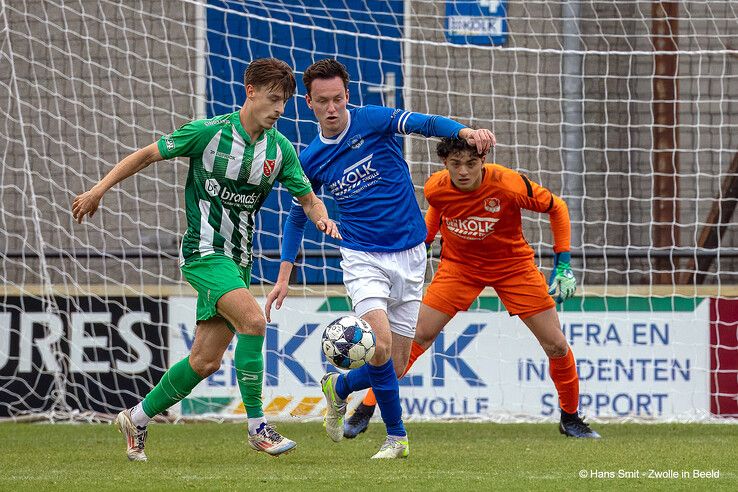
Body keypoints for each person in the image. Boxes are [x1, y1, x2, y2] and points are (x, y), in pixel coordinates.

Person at [72, 58, 341, 461]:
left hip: (238, 261)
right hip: (204, 252)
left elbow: (307, 197)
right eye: (272, 99)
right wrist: (99, 189)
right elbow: (147, 155)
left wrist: (322, 218)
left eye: (284, 101)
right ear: (250, 91)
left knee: (204, 361)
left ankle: (136, 418)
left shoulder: (279, 150)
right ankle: (257, 428)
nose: (279, 109)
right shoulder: (208, 133)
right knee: (254, 321)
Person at [264, 59, 496, 458]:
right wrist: (284, 274)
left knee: (398, 364)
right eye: (324, 101)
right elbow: (298, 214)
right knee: (381, 348)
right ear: (309, 103)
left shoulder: (372, 120)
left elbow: (423, 123)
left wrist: (464, 131)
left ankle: (338, 387)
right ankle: (396, 437)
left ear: (348, 96)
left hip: (410, 254)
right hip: (362, 257)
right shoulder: (311, 159)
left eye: (338, 98)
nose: (333, 108)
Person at [344, 137, 600, 439]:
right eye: (455, 164)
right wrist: (423, 247)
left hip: (513, 267)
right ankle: (366, 408)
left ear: (483, 160)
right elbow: (437, 214)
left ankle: (570, 418)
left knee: (555, 344)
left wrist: (564, 264)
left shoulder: (508, 184)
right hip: (459, 268)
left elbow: (557, 208)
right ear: (445, 164)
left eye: (471, 163)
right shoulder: (436, 187)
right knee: (415, 339)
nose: (463, 171)